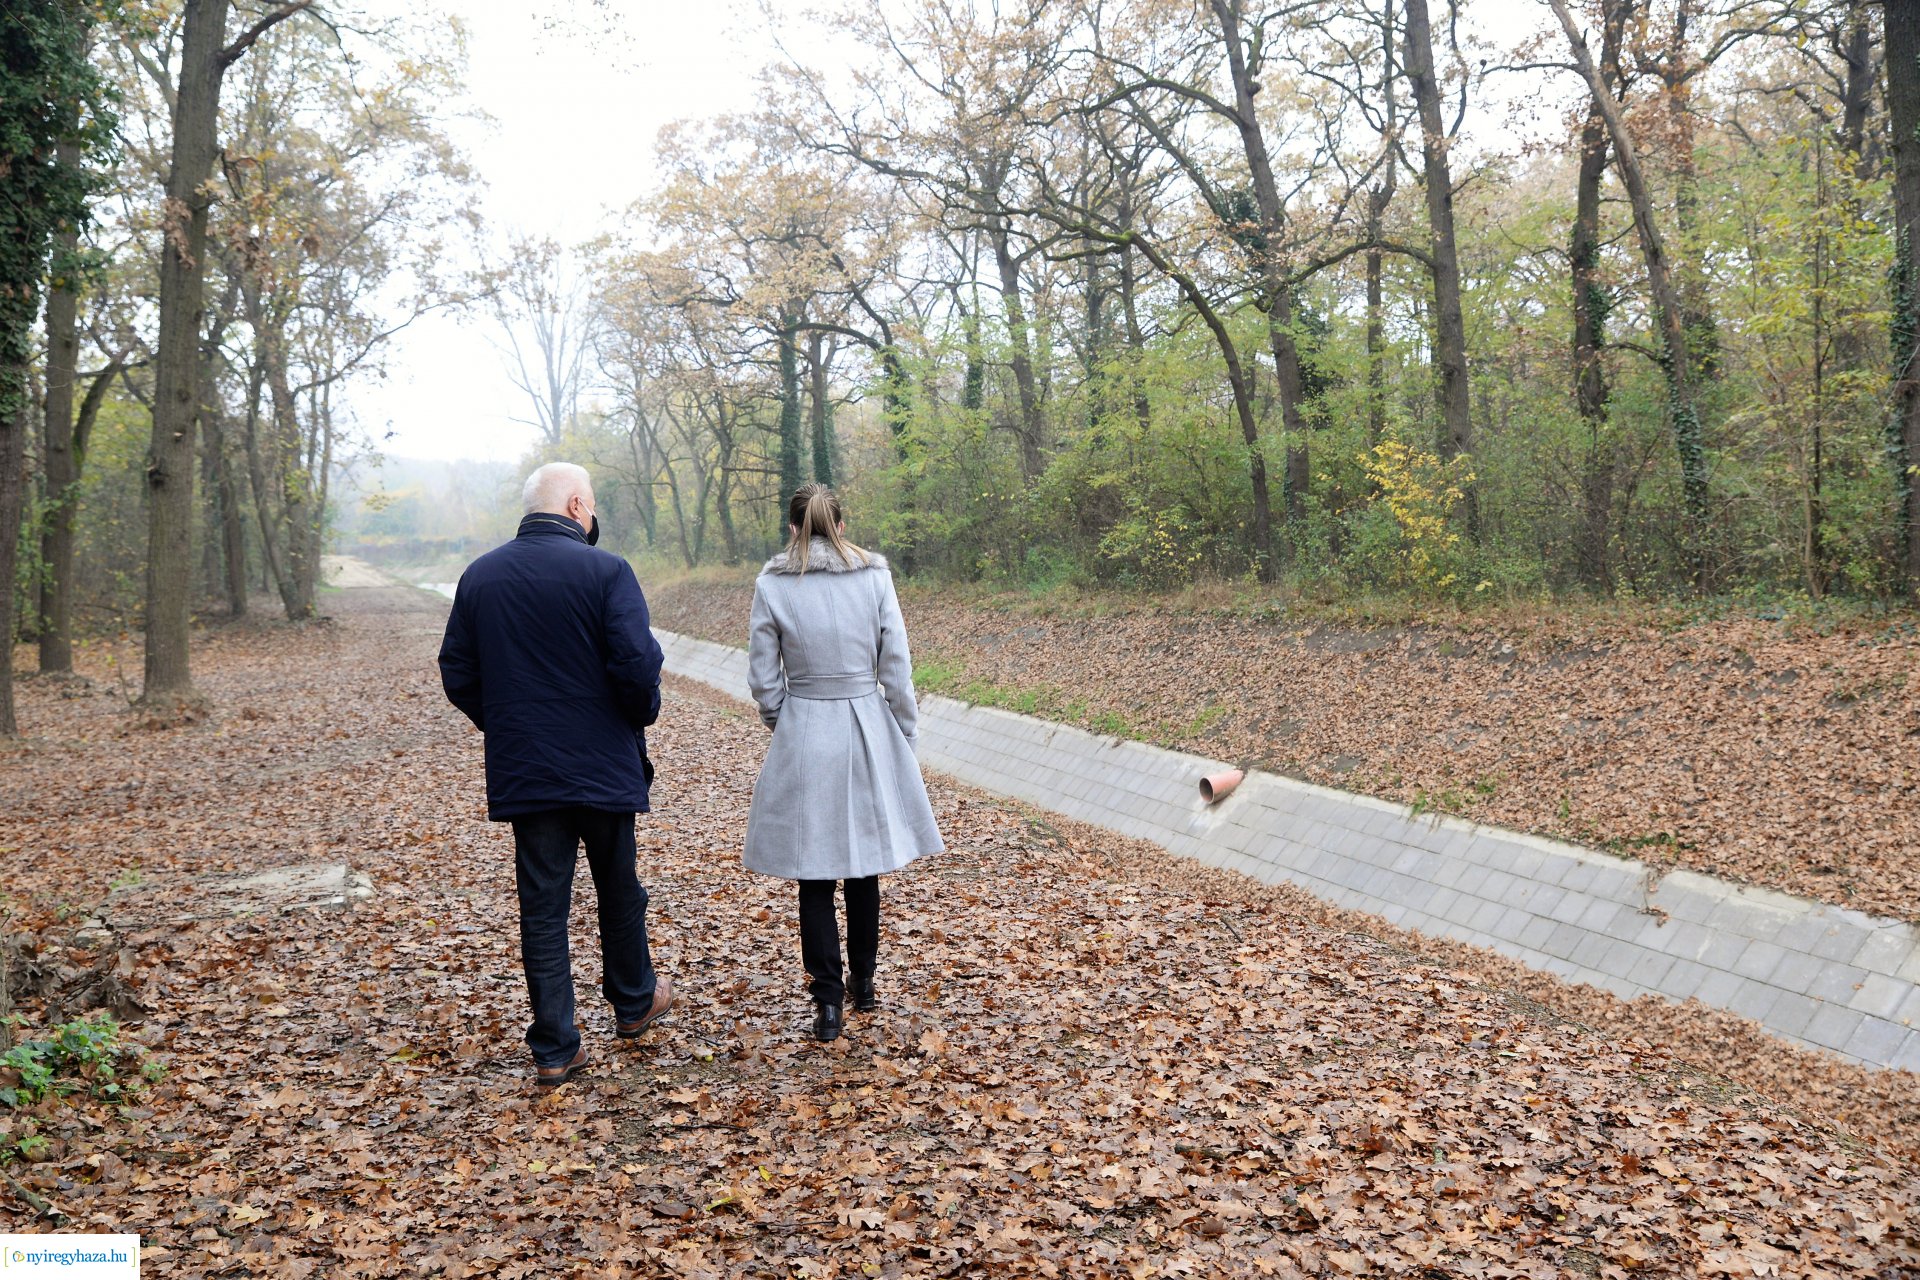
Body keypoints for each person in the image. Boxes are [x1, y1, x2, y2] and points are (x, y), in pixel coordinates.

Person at [438, 462, 672, 1086]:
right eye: (591, 506)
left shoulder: (481, 576)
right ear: (575, 505)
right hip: (602, 765)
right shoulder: (607, 571)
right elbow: (635, 662)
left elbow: (457, 671)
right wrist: (635, 717)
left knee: (543, 905)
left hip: (530, 770)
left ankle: (555, 1047)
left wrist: (510, 725)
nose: (594, 517)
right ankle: (633, 1002)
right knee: (619, 890)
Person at [743, 483, 945, 1042]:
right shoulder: (874, 578)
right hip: (866, 725)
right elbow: (896, 667)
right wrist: (901, 731)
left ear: (792, 528)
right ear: (842, 524)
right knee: (863, 862)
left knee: (813, 870)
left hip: (806, 724)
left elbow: (763, 675)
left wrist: (783, 717)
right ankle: (866, 983)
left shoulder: (774, 584)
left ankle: (827, 1004)